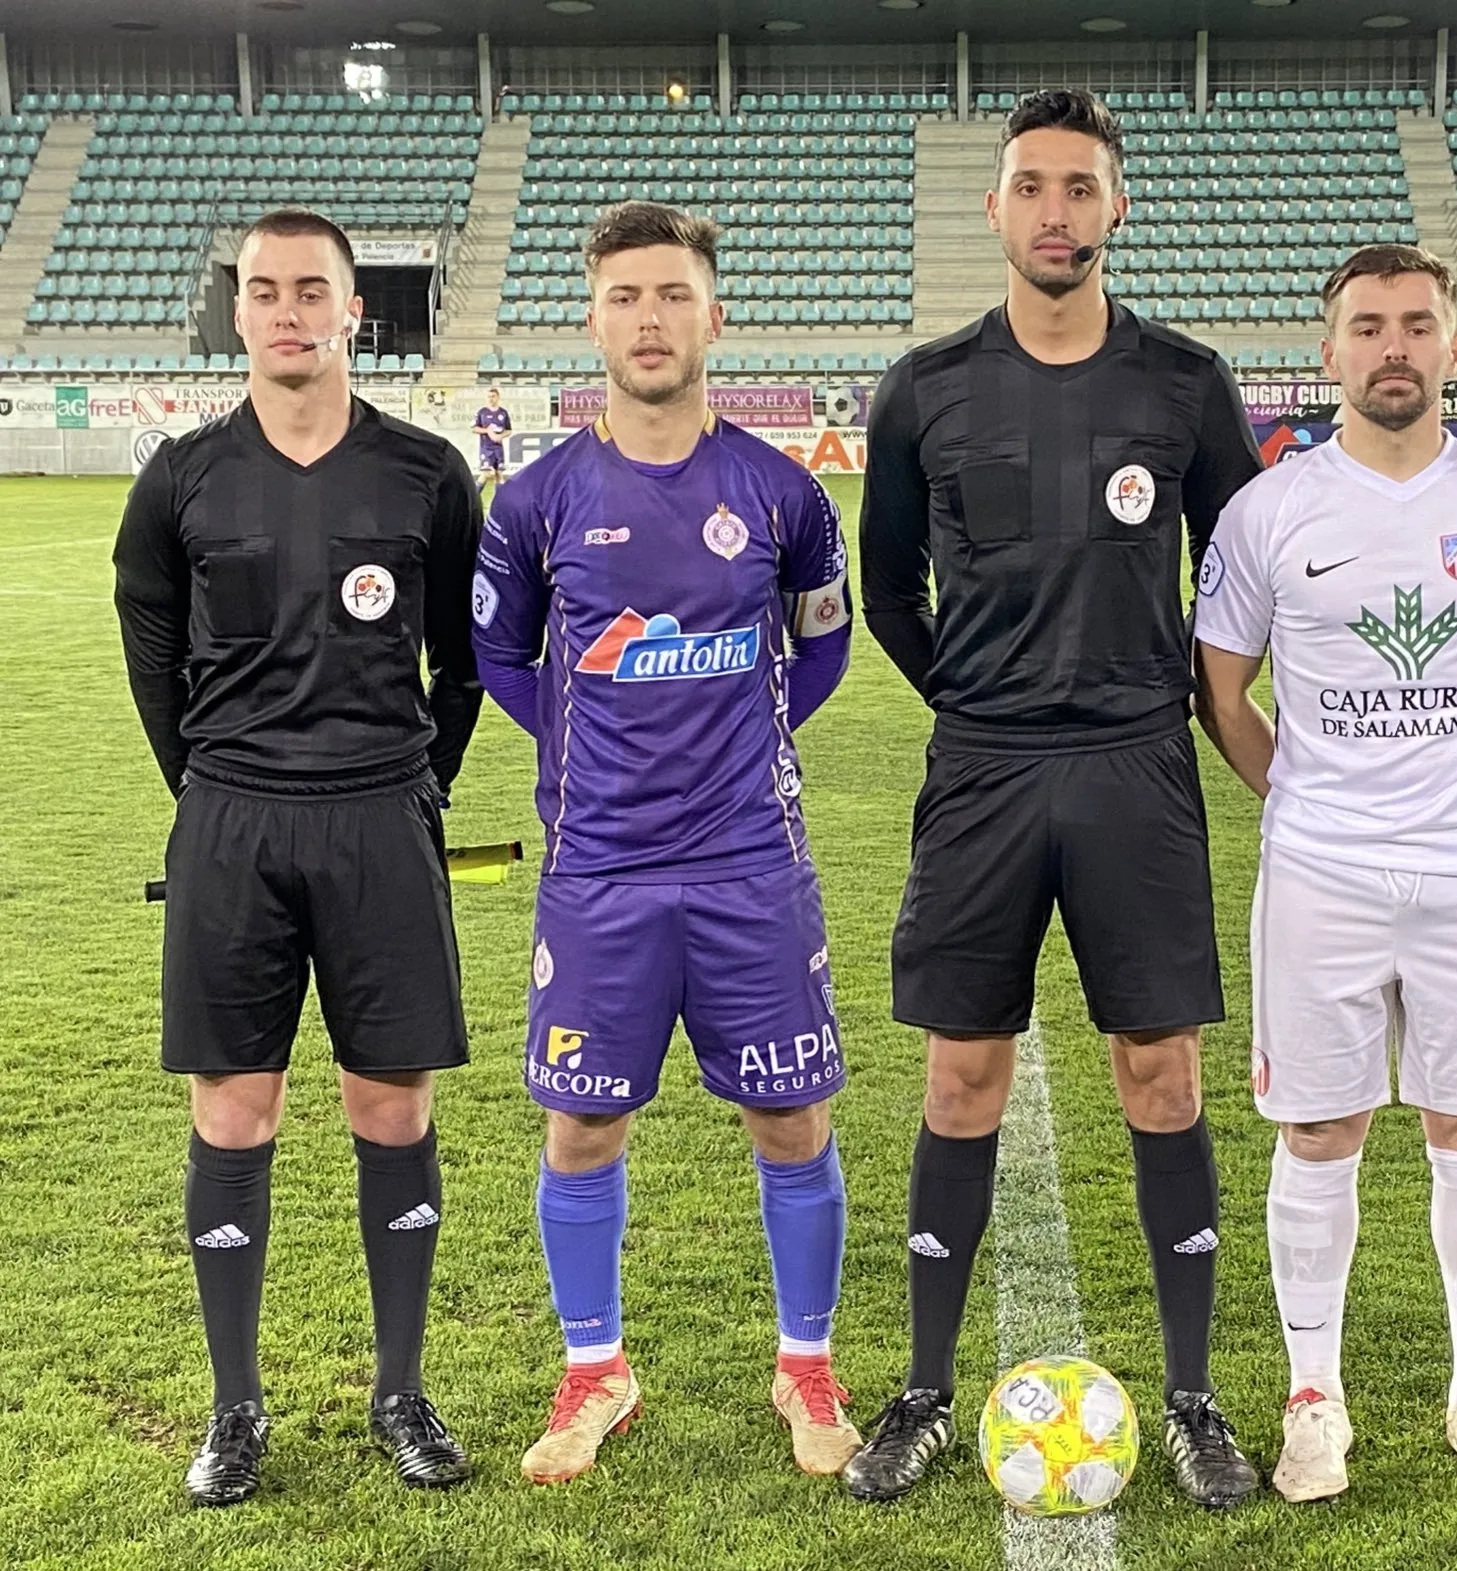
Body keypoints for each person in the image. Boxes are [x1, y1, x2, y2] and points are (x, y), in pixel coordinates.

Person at [847, 87, 1265, 1508]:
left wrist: (1174, 701)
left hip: (1138, 765)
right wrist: (973, 696)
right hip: (983, 767)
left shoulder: (1187, 385)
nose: (1057, 212)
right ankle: (918, 1390)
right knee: (962, 1075)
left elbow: (1246, 578)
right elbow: (886, 586)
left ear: (1116, 206)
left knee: (1162, 1072)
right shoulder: (926, 388)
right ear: (997, 208)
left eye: (1081, 188)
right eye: (1032, 186)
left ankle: (1198, 1395)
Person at [469, 201, 859, 1485]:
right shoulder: (534, 500)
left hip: (752, 861)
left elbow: (821, 640)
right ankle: (596, 1369)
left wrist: (740, 738)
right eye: (626, 296)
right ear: (593, 318)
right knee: (581, 1129)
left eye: (673, 294)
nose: (650, 318)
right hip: (602, 871)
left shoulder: (783, 489)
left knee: (788, 1115)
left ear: (713, 313)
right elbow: (501, 656)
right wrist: (599, 752)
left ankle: (805, 1362)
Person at [111, 208, 482, 1506]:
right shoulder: (183, 476)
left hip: (382, 816)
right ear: (240, 307)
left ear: (350, 309)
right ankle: (234, 1404)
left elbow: (469, 664)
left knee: (392, 1105)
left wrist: (412, 784)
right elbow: (148, 634)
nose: (283, 309)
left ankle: (401, 1391)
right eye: (260, 289)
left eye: (307, 288)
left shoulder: (429, 473)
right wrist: (206, 784)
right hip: (235, 821)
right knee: (236, 1108)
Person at [1194, 244, 1457, 1506]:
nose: (1392, 347)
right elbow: (1222, 688)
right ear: (1329, 352)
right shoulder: (1267, 510)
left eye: (1416, 323)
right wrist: (1303, 795)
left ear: (1453, 345)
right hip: (1320, 873)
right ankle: (1315, 1399)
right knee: (1319, 1128)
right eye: (1367, 327)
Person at [472, 386, 513, 489]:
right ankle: (474, 498)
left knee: (499, 474)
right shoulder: (482, 412)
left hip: (498, 448)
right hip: (486, 448)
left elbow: (509, 430)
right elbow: (474, 428)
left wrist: (501, 436)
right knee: (486, 473)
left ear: (498, 397)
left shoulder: (503, 413)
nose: (491, 399)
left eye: (493, 396)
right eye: (489, 396)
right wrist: (488, 431)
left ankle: (500, 501)